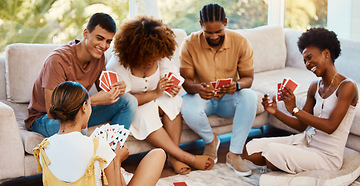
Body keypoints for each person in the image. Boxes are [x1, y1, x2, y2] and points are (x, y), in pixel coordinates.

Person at [33, 81, 179, 186]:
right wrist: (116, 159)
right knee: (158, 154)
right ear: (84, 107)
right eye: (90, 105)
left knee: (101, 177)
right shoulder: (96, 146)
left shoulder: (44, 147)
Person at [240, 27, 358, 174]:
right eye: (304, 61)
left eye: (309, 58)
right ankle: (287, 162)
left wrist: (295, 109)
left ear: (326, 53)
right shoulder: (315, 86)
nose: (307, 65)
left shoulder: (347, 86)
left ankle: (284, 163)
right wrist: (275, 111)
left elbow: (330, 126)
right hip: (306, 141)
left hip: (327, 156)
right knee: (249, 149)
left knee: (272, 153)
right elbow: (302, 126)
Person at [107, 16, 214, 175]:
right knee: (143, 114)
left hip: (154, 99)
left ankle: (172, 158)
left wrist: (174, 88)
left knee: (172, 102)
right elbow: (126, 101)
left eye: (155, 57)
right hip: (131, 106)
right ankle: (183, 156)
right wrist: (156, 92)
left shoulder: (160, 54)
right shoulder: (118, 64)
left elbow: (172, 77)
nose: (152, 62)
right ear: (134, 53)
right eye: (147, 57)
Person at [25, 13, 137, 137]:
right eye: (99, 38)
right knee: (77, 123)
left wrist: (115, 90)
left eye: (108, 41)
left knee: (129, 101)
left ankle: (111, 151)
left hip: (80, 110)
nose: (104, 46)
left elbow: (104, 91)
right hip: (45, 119)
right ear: (86, 33)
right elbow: (53, 112)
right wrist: (91, 101)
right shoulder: (57, 60)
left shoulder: (98, 57)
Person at [180, 3, 258, 176]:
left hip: (228, 99)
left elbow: (248, 79)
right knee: (186, 106)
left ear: (225, 22)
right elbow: (185, 81)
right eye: (209, 32)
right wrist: (198, 88)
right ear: (201, 24)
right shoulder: (190, 43)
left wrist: (237, 85)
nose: (214, 36)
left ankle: (234, 154)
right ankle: (210, 141)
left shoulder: (240, 42)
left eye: (218, 31)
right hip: (202, 98)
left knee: (250, 97)